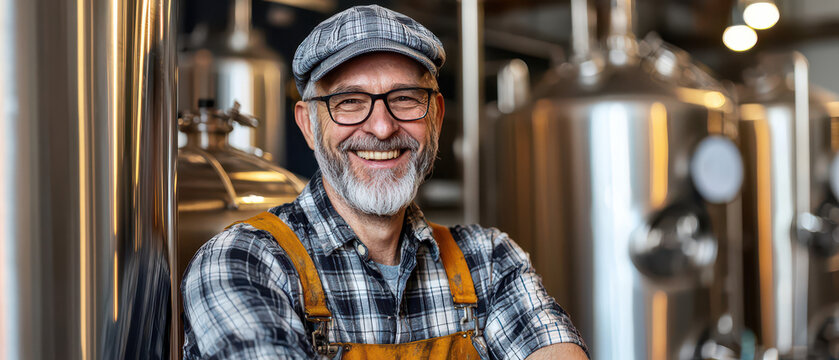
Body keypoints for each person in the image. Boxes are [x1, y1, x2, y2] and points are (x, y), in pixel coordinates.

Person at [181, 5, 588, 359]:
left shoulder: (491, 261)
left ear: (436, 117)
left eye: (406, 98)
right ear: (308, 125)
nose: (380, 127)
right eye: (350, 102)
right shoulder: (245, 263)